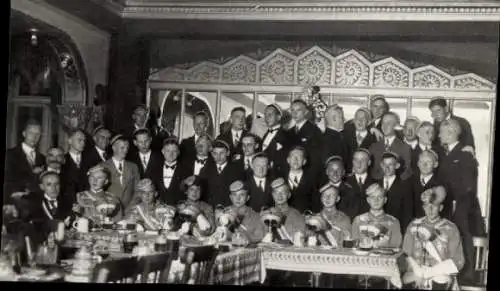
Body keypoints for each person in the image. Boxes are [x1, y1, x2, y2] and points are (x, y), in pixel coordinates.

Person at [436, 119, 485, 285]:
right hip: (449, 206)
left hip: (462, 207)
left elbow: (469, 187)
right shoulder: (446, 154)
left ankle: (466, 277)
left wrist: (457, 204)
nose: (439, 135)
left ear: (450, 134)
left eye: (441, 132)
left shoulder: (464, 154)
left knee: (463, 238)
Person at [402, 186, 464, 290]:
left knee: (441, 279)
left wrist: (429, 273)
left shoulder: (451, 228)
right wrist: (417, 271)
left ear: (441, 207)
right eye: (427, 205)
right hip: (416, 271)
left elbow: (458, 260)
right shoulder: (413, 226)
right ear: (423, 207)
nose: (430, 210)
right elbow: (405, 254)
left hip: (440, 273)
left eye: (434, 206)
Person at [4, 119, 46, 204]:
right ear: (24, 134)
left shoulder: (42, 158)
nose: (34, 137)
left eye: (37, 134)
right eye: (31, 133)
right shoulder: (10, 154)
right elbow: (8, 180)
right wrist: (33, 173)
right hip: (15, 201)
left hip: (36, 202)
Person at [352, 183, 402, 249]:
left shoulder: (394, 222)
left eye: (380, 197)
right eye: (373, 197)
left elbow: (397, 246)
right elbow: (353, 245)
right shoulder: (358, 220)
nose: (376, 200)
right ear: (368, 200)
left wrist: (382, 245)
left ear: (385, 200)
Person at [199, 139, 245, 207]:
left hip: (230, 209)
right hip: (209, 209)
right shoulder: (204, 170)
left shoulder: (238, 171)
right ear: (211, 154)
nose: (218, 156)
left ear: (228, 153)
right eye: (215, 153)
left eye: (221, 153)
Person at [369, 112, 412, 180]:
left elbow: (407, 172)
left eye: (389, 123)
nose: (385, 126)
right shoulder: (373, 147)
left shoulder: (405, 148)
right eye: (383, 123)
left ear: (396, 126)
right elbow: (370, 170)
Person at [377, 152, 413, 233]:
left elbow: (407, 214)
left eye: (390, 164)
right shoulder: (375, 184)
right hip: (376, 230)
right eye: (384, 164)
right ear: (381, 165)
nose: (387, 168)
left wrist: (402, 233)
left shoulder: (405, 187)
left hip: (396, 231)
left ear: (397, 166)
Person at [102, 134, 140, 210]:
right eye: (122, 148)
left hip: (130, 211)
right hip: (110, 210)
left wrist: (130, 208)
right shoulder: (103, 166)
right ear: (114, 148)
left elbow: (138, 191)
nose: (125, 150)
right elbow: (100, 192)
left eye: (127, 148)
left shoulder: (133, 167)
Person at [288, 99, 324, 176]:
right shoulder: (289, 132)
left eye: (299, 110)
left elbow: (317, 157)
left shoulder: (314, 131)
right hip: (292, 172)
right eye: (293, 110)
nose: (295, 113)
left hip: (308, 174)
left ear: (306, 112)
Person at [412, 150, 451, 220]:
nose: (424, 165)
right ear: (417, 163)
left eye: (429, 162)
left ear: (436, 164)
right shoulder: (409, 182)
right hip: (413, 226)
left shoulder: (442, 184)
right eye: (421, 161)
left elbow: (446, 212)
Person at [322, 156, 359, 220]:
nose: (335, 173)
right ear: (327, 172)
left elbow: (352, 217)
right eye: (331, 170)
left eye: (338, 170)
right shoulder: (320, 191)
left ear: (343, 172)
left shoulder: (351, 192)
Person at [283, 146, 318, 213]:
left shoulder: (312, 180)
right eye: (293, 156)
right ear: (288, 160)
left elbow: (316, 203)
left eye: (299, 157)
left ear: (304, 161)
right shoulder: (281, 178)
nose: (296, 160)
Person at [61, 128, 91, 204]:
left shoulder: (90, 161)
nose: (83, 143)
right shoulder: (61, 161)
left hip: (87, 204)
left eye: (84, 141)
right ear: (70, 141)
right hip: (67, 204)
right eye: (79, 140)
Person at [344, 108, 377, 173]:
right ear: (354, 120)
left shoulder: (374, 140)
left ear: (369, 122)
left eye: (363, 118)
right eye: (357, 118)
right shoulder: (345, 136)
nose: (360, 120)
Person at [154, 137, 185, 205]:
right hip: (157, 208)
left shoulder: (185, 170)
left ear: (178, 152)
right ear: (163, 151)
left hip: (178, 209)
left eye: (174, 151)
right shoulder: (154, 169)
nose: (171, 154)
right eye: (168, 151)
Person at [260, 104, 290, 174]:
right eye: (265, 115)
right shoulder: (265, 133)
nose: (267, 118)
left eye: (270, 115)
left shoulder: (286, 136)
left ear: (279, 117)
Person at [345, 149, 377, 215]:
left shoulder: (376, 183)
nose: (358, 163)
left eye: (362, 160)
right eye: (355, 160)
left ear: (369, 162)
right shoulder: (344, 181)